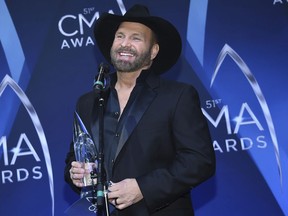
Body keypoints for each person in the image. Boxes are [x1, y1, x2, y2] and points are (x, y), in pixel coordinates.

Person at [64, 4, 216, 216]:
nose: (125, 44)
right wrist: (76, 174)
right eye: (120, 36)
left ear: (153, 51)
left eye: (136, 38)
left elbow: (199, 161)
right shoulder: (88, 102)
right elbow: (74, 158)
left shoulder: (177, 96)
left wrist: (143, 188)